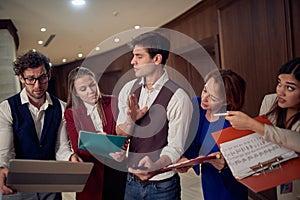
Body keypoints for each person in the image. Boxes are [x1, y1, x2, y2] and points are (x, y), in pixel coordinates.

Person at [115, 31, 193, 200]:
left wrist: (156, 166)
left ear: (157, 59)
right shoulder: (128, 89)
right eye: (133, 56)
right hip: (131, 182)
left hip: (163, 187)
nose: (132, 61)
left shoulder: (179, 98)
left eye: (139, 56)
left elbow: (176, 147)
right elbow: (120, 132)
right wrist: (131, 120)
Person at [0, 50, 80, 200]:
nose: (37, 85)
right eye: (31, 79)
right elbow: (6, 152)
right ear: (21, 78)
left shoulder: (61, 107)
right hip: (18, 187)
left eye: (42, 77)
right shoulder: (6, 108)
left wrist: (70, 157)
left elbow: (60, 147)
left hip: (50, 184)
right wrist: (2, 168)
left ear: (48, 74)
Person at [225, 58, 300, 199]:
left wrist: (252, 124)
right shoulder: (270, 101)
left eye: (290, 88)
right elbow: (262, 142)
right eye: (279, 83)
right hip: (280, 176)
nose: (280, 92)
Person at [178, 69, 248, 200]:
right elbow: (189, 138)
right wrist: (184, 159)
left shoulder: (234, 123)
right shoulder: (196, 106)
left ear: (227, 102)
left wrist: (225, 163)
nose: (204, 98)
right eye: (205, 90)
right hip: (208, 178)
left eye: (213, 98)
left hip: (228, 183)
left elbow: (244, 163)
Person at [64, 66, 127, 200]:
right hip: (92, 177)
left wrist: (122, 149)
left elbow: (124, 135)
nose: (91, 91)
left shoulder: (114, 102)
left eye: (92, 85)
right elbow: (78, 148)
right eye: (83, 89)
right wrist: (106, 145)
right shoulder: (71, 113)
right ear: (75, 93)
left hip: (117, 173)